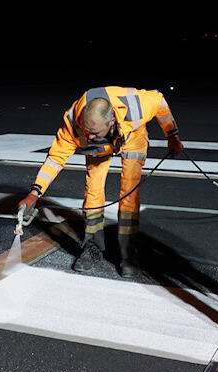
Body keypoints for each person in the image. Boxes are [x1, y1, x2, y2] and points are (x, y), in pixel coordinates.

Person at [16, 86, 183, 277]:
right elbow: (56, 158)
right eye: (87, 132)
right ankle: (93, 245)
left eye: (94, 133)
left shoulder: (138, 105)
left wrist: (172, 135)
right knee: (93, 190)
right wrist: (35, 192)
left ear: (111, 121)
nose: (89, 137)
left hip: (132, 136)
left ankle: (128, 252)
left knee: (129, 192)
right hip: (102, 147)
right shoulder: (74, 123)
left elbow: (159, 100)